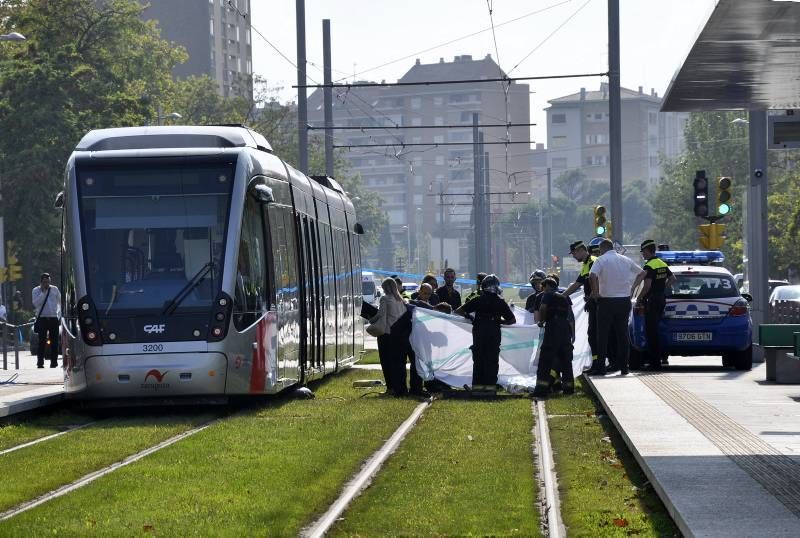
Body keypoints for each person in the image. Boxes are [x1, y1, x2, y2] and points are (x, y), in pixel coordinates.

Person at [588, 239, 642, 376]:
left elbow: (592, 275)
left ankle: (601, 368)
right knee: (623, 335)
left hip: (606, 301)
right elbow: (642, 273)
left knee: (603, 335)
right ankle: (624, 367)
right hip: (624, 301)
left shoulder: (601, 260)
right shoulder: (625, 259)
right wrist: (633, 287)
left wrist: (595, 292)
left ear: (603, 249)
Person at [456, 274, 516, 390]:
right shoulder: (500, 301)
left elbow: (459, 311)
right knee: (492, 359)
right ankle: (490, 387)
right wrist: (499, 321)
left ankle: (477, 387)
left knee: (479, 358)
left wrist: (470, 317)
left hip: (479, 331)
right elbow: (512, 320)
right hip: (494, 332)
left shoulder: (478, 299)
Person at [632, 240, 674, 370]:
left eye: (643, 252)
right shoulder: (661, 263)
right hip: (660, 299)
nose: (642, 255)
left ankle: (655, 363)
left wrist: (639, 298)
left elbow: (647, 286)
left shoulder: (649, 265)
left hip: (651, 301)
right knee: (657, 330)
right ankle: (662, 358)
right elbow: (673, 278)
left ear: (647, 251)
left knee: (651, 333)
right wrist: (662, 289)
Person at [532, 278, 575, 398]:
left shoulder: (547, 294)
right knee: (566, 359)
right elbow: (570, 316)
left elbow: (542, 308)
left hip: (553, 328)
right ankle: (568, 388)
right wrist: (573, 333)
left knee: (546, 360)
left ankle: (541, 390)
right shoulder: (565, 295)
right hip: (565, 329)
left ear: (546, 286)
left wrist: (541, 321)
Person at [561, 241, 599, 371]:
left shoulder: (593, 261)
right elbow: (577, 284)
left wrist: (593, 297)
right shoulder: (586, 264)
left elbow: (598, 281)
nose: (573, 257)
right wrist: (562, 296)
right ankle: (597, 363)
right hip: (593, 303)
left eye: (573, 254)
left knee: (594, 334)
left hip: (597, 303)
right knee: (593, 334)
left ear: (579, 250)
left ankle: (598, 364)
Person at [370, 278, 409, 395]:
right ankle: (400, 387)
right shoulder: (401, 300)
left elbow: (381, 314)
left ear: (386, 288)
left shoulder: (384, 299)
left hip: (386, 334)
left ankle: (390, 387)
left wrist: (371, 319)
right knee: (397, 362)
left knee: (386, 361)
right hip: (398, 334)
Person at [32, 273, 61, 368]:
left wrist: (59, 314)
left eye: (48, 282)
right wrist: (43, 292)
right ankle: (40, 362)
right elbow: (36, 303)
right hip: (42, 319)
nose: (47, 284)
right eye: (45, 282)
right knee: (42, 341)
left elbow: (61, 302)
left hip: (53, 318)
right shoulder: (36, 290)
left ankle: (54, 362)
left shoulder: (55, 289)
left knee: (55, 341)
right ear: (41, 282)